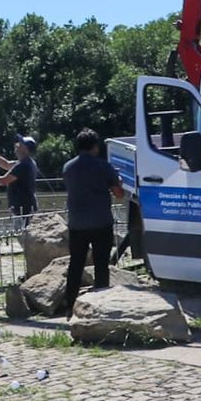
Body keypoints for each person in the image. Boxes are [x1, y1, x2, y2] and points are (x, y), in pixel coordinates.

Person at [61, 129, 125, 317]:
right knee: (101, 264)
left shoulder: (68, 167)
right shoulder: (103, 166)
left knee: (76, 264)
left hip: (77, 223)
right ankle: (101, 302)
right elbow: (119, 193)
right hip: (101, 222)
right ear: (96, 147)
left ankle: (69, 303)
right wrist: (118, 182)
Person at [0, 134, 40, 224]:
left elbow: (3, 181)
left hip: (23, 208)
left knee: (23, 233)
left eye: (20, 144)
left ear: (26, 149)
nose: (16, 144)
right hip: (25, 206)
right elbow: (6, 164)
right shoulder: (26, 162)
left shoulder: (22, 165)